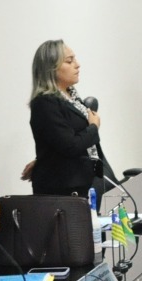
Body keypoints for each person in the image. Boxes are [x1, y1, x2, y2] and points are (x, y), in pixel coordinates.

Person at [28, 39, 102, 198]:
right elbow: (70, 146)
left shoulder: (72, 96)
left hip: (84, 180)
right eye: (69, 61)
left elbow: (57, 141)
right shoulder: (45, 103)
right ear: (51, 68)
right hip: (63, 189)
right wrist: (94, 127)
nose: (77, 65)